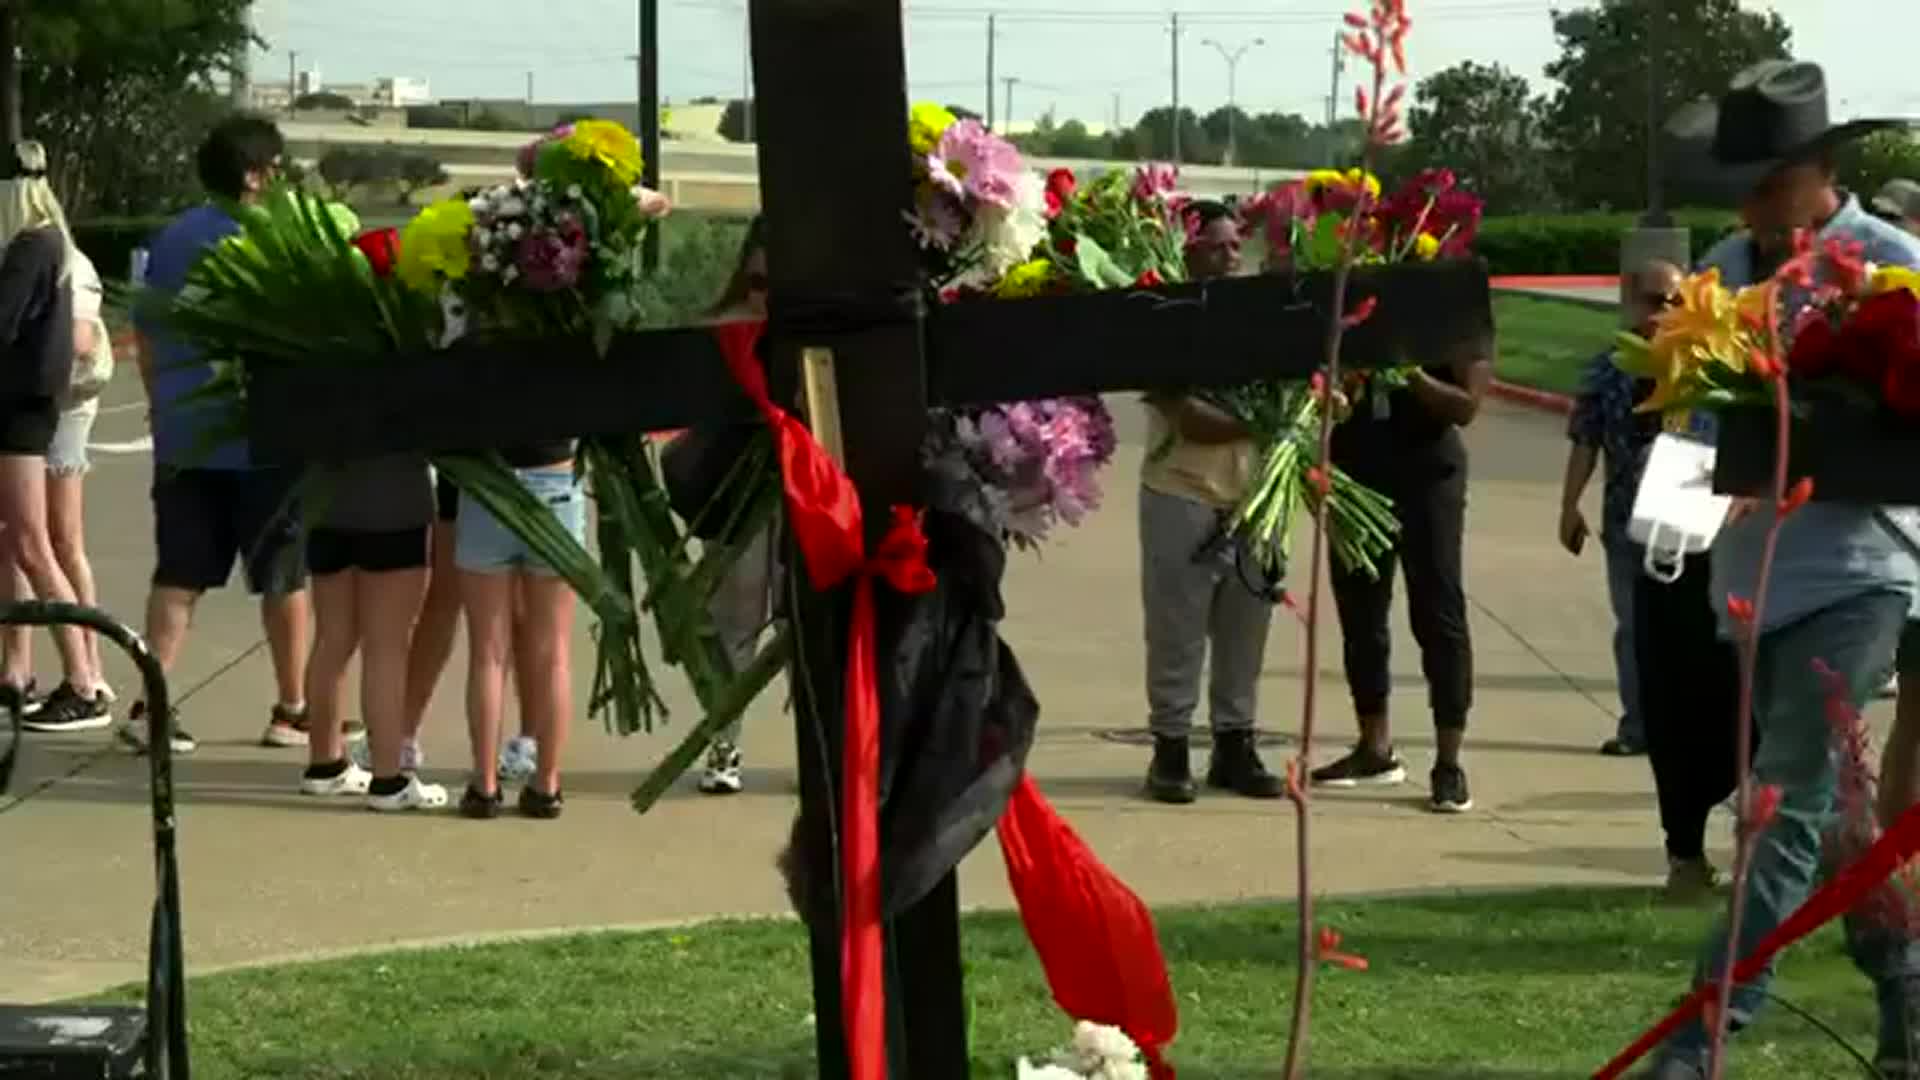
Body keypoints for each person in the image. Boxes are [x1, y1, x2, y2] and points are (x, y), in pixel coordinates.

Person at [1643, 60, 1920, 1080]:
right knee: (1842, 818)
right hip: (1754, 584)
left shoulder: (1892, 269)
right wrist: (1674, 512)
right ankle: (1909, 1005)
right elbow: (1697, 417)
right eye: (1741, 184)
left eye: (1765, 180)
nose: (1750, 205)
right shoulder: (1725, 265)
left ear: (1816, 169)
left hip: (1865, 571)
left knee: (1783, 799)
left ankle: (1703, 1036)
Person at [120, 114, 311, 756]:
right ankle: (293, 708)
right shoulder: (280, 240)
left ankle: (151, 706)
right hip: (265, 437)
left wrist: (163, 406)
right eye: (275, 168)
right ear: (257, 173)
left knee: (179, 576)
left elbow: (145, 337)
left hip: (184, 437)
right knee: (282, 578)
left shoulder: (171, 240)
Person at [1309, 279, 1494, 815]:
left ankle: (1448, 761)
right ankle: (1374, 746)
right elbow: (1321, 390)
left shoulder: (1458, 318)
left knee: (1437, 610)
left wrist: (1405, 370)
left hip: (1428, 477)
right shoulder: (1351, 307)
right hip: (1358, 471)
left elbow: (1465, 407)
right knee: (1360, 609)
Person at [1138, 200, 1283, 804]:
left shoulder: (1260, 318)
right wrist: (1267, 424)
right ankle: (1171, 750)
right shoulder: (1162, 317)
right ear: (1188, 252)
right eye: (1216, 247)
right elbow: (1188, 417)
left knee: (1245, 631)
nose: (1229, 258)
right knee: (1178, 632)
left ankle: (1234, 746)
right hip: (1183, 494)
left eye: (1234, 247)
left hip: (1256, 498)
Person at [0, 141, 110, 730]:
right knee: (22, 545)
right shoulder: (47, 242)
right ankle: (24, 671)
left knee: (35, 547)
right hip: (24, 409)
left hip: (20, 414)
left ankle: (84, 679)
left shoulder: (30, 246)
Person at [1559, 261, 1684, 758]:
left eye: (1674, 302)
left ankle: (1686, 724)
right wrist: (1569, 506)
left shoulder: (1702, 361)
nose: (1663, 313)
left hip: (1685, 522)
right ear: (1631, 300)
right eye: (1654, 301)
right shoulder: (1609, 366)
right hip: (1625, 516)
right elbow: (1585, 440)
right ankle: (1639, 726)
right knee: (1633, 627)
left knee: (1685, 629)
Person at [297, 455, 443, 811]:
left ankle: (325, 762)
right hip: (395, 503)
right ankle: (389, 777)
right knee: (387, 646)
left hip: (326, 500)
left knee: (332, 638)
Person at [455, 440, 586, 820]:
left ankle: (484, 784)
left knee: (487, 653)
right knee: (554, 652)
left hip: (487, 477)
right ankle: (546, 783)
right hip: (556, 475)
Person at [689, 216, 773, 796]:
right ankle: (725, 742)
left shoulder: (812, 331)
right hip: (735, 498)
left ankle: (824, 750)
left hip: (805, 493)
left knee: (808, 622)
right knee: (733, 626)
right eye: (759, 277)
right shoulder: (720, 332)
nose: (765, 293)